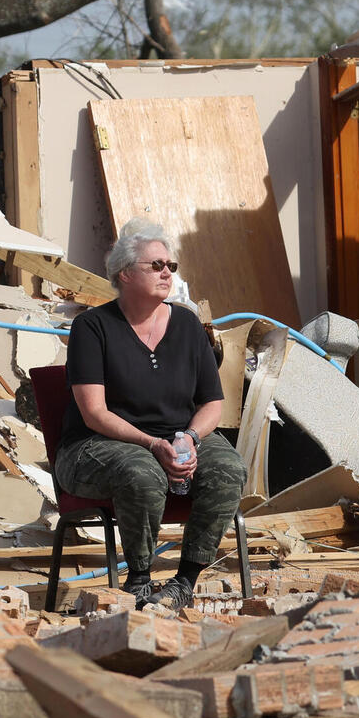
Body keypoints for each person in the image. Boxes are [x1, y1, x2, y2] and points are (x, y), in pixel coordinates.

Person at [53, 219, 246, 611]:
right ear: (124, 273)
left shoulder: (188, 325)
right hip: (96, 446)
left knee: (228, 469)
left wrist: (189, 439)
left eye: (171, 267)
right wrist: (152, 443)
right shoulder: (93, 328)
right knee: (142, 471)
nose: (166, 273)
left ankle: (183, 583)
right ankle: (138, 580)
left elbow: (212, 403)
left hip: (176, 438)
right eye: (156, 265)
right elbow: (94, 413)